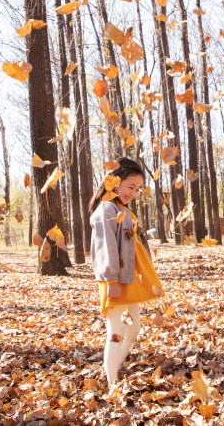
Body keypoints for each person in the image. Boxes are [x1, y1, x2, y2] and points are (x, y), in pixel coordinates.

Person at [89, 157, 163, 386]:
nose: (134, 192)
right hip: (115, 279)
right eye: (130, 186)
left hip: (128, 278)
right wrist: (111, 280)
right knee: (116, 331)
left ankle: (115, 367)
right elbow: (106, 246)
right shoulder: (106, 209)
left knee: (134, 328)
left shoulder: (123, 209)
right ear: (114, 181)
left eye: (138, 189)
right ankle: (111, 383)